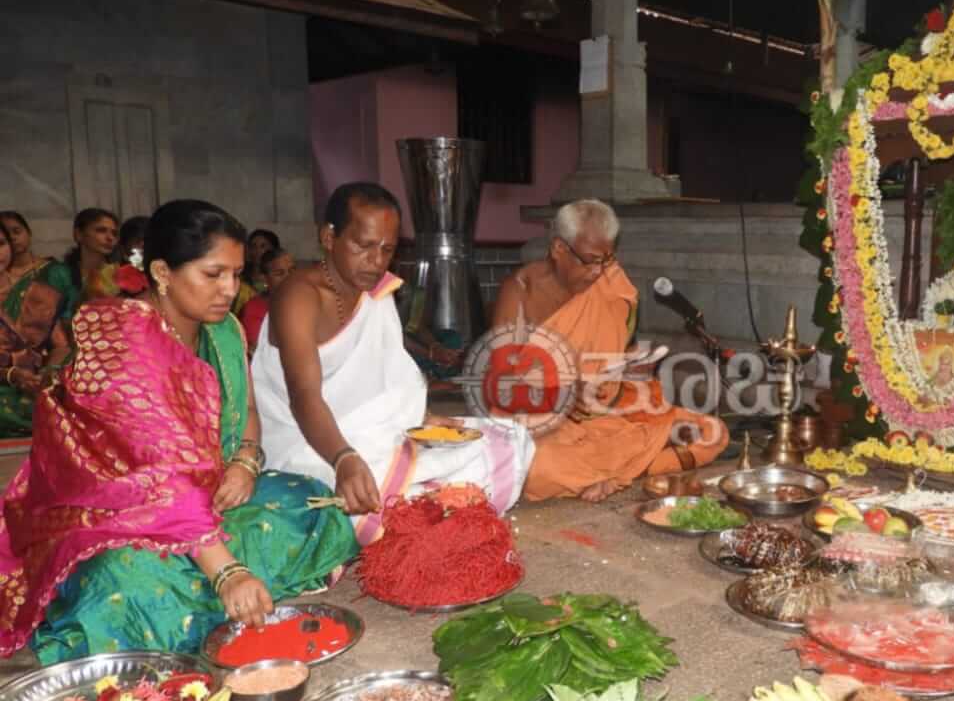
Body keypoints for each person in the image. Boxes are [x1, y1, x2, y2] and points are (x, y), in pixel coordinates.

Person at [0, 200, 359, 662]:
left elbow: (247, 409)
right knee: (121, 585)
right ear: (162, 272)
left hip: (209, 496)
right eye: (213, 274)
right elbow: (157, 476)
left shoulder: (224, 330)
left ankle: (207, 587)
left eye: (236, 274)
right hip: (120, 513)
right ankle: (213, 587)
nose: (230, 289)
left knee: (314, 502)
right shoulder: (120, 339)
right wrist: (226, 572)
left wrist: (245, 462)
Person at [253, 183, 533, 543]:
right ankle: (411, 510)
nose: (376, 261)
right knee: (359, 495)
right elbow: (304, 396)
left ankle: (413, 510)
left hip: (375, 430)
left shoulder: (379, 291)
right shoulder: (298, 296)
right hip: (309, 441)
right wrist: (344, 459)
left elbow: (388, 375)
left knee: (506, 439)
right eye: (364, 245)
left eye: (387, 249)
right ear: (329, 237)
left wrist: (421, 417)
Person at [492, 199, 728, 502]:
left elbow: (613, 349)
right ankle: (632, 468)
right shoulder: (520, 292)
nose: (598, 271)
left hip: (606, 415)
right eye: (590, 261)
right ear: (559, 248)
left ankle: (603, 474)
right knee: (534, 466)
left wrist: (631, 366)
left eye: (606, 260)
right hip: (544, 424)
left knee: (712, 432)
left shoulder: (609, 282)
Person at [0, 222, 73, 436]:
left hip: (36, 380)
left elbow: (61, 346)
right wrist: (12, 375)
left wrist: (48, 373)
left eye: (1, 244)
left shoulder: (38, 292)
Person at [238, 246, 294, 355]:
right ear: (264, 278)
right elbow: (256, 351)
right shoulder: (254, 309)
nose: (288, 277)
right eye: (279, 273)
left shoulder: (306, 302)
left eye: (292, 270)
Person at [65, 207, 120, 303]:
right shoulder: (61, 273)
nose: (110, 238)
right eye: (101, 230)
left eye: (114, 233)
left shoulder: (120, 273)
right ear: (78, 234)